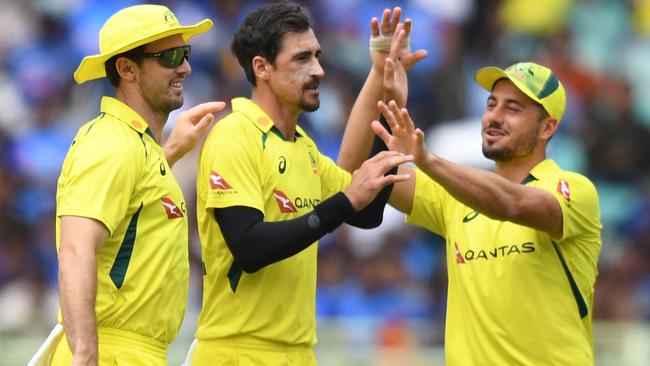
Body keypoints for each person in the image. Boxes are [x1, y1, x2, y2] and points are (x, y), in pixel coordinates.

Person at [187, 3, 416, 365]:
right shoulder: (235, 135)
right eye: (302, 59)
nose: (318, 70)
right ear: (262, 67)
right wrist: (343, 201)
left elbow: (367, 212)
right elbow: (249, 247)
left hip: (298, 353)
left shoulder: (304, 148)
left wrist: (389, 107)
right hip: (238, 351)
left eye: (318, 57)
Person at [340, 54, 603, 363]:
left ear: (547, 128)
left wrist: (428, 160)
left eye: (513, 108)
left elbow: (510, 203)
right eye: (491, 104)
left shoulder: (573, 190)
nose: (494, 116)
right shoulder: (456, 197)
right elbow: (356, 170)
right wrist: (378, 78)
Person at [28, 5, 225, 366]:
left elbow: (131, 212)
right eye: (170, 56)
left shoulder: (135, 147)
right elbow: (75, 249)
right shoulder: (111, 142)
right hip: (110, 353)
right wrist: (86, 354)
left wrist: (169, 152)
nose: (186, 67)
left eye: (186, 53)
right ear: (127, 69)